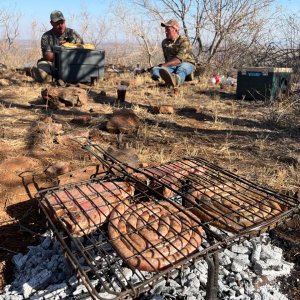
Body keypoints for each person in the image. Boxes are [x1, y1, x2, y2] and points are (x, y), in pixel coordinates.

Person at [32, 10, 84, 83]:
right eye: (57, 24)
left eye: (62, 23)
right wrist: (60, 51)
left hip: (71, 62)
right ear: (51, 23)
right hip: (52, 63)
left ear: (65, 21)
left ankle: (56, 78)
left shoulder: (73, 33)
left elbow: (83, 50)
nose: (61, 26)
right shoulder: (46, 36)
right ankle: (47, 77)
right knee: (42, 65)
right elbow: (47, 56)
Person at [151, 19, 195, 87]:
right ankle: (166, 78)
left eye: (168, 30)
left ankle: (176, 81)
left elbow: (178, 60)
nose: (165, 32)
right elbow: (167, 59)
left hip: (185, 63)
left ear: (176, 30)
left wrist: (163, 66)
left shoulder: (184, 41)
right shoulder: (164, 42)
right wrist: (162, 68)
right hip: (171, 66)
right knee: (155, 70)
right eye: (165, 30)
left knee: (182, 68)